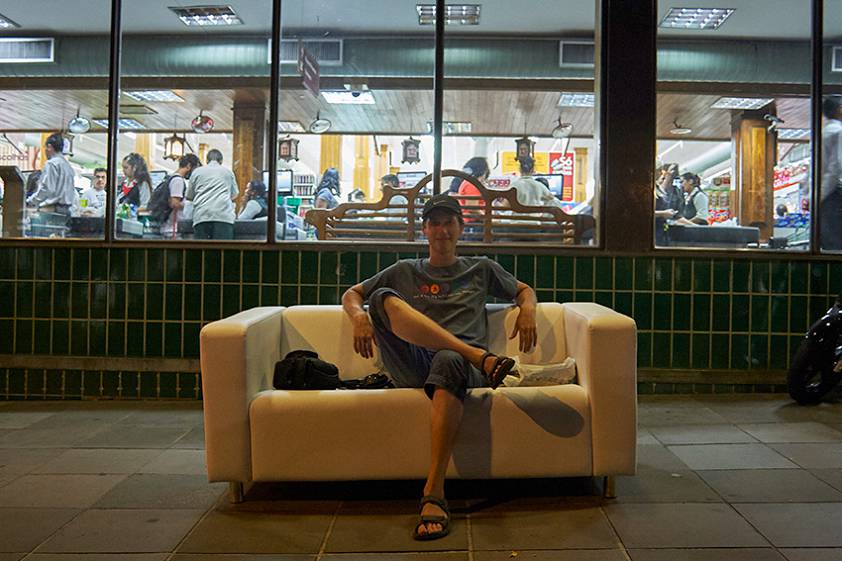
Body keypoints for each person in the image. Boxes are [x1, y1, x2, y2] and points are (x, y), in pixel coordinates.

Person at [341, 193, 537, 541]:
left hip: (462, 370)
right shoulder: (405, 270)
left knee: (449, 358)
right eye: (435, 223)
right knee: (381, 296)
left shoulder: (481, 268)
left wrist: (528, 311)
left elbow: (524, 290)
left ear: (461, 227)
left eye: (449, 222)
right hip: (419, 363)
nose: (442, 230)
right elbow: (353, 294)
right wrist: (359, 317)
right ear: (425, 230)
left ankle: (433, 493)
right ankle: (475, 354)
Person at [185, 149, 238, 240]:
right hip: (223, 217)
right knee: (222, 248)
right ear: (221, 161)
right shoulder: (228, 172)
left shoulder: (197, 172)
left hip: (202, 216)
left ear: (207, 160)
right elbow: (234, 194)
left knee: (203, 248)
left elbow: (189, 196)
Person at [26, 133, 78, 216]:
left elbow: (47, 189)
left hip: (51, 210)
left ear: (49, 147)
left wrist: (30, 201)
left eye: (45, 147)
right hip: (66, 211)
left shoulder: (51, 164)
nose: (45, 151)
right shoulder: (68, 166)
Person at [160, 154, 201, 238]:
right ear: (188, 166)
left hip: (169, 228)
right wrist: (190, 206)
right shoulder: (178, 180)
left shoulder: (170, 177)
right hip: (173, 230)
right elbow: (174, 203)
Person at [821, 96, 842, 250]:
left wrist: (815, 196)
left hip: (825, 197)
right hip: (833, 195)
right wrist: (823, 194)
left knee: (828, 244)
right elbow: (836, 167)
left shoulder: (822, 133)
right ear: (839, 110)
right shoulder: (838, 132)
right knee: (836, 246)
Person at [452, 157, 490, 221]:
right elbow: (472, 209)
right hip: (472, 221)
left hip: (472, 220)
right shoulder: (473, 185)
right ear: (483, 171)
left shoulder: (469, 182)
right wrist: (489, 219)